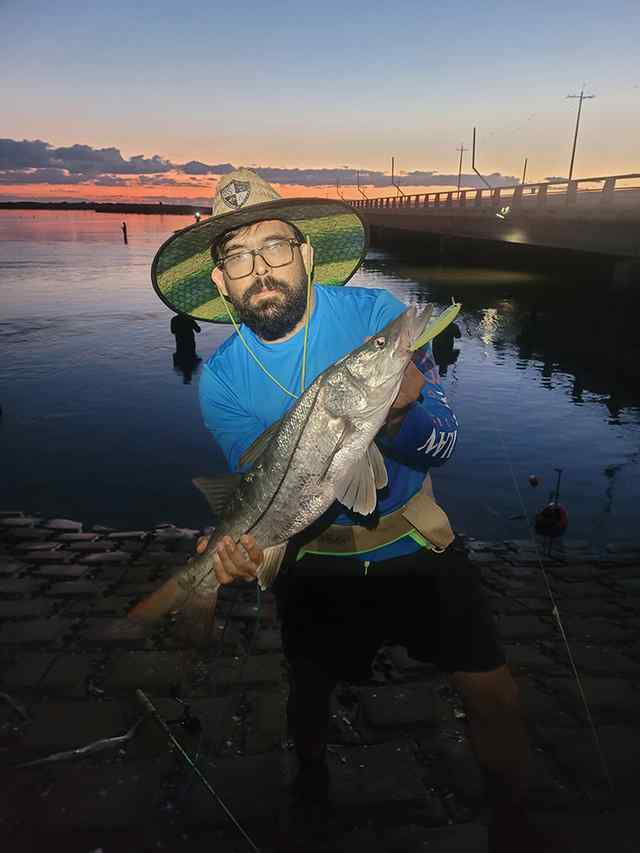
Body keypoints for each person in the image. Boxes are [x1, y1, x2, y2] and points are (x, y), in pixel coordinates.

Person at [150, 169, 572, 853]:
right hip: (310, 557)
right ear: (220, 281)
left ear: (307, 254)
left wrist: (403, 409)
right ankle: (310, 780)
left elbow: (445, 443)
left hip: (413, 540)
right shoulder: (222, 379)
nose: (260, 267)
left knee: (492, 688)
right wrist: (227, 546)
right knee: (307, 696)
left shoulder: (376, 316)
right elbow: (254, 488)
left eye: (276, 246)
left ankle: (514, 818)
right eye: (237, 255)